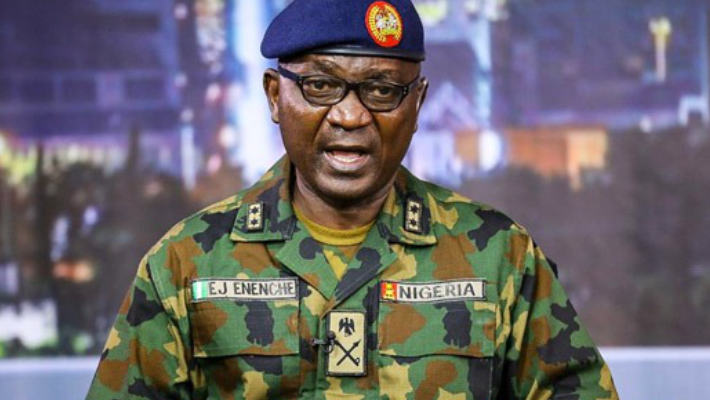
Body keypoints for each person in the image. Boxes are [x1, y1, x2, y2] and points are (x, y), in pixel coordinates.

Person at [85, 1, 619, 399]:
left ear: (417, 104)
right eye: (320, 86)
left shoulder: (498, 255)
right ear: (275, 95)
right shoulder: (187, 262)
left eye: (382, 90)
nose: (350, 115)